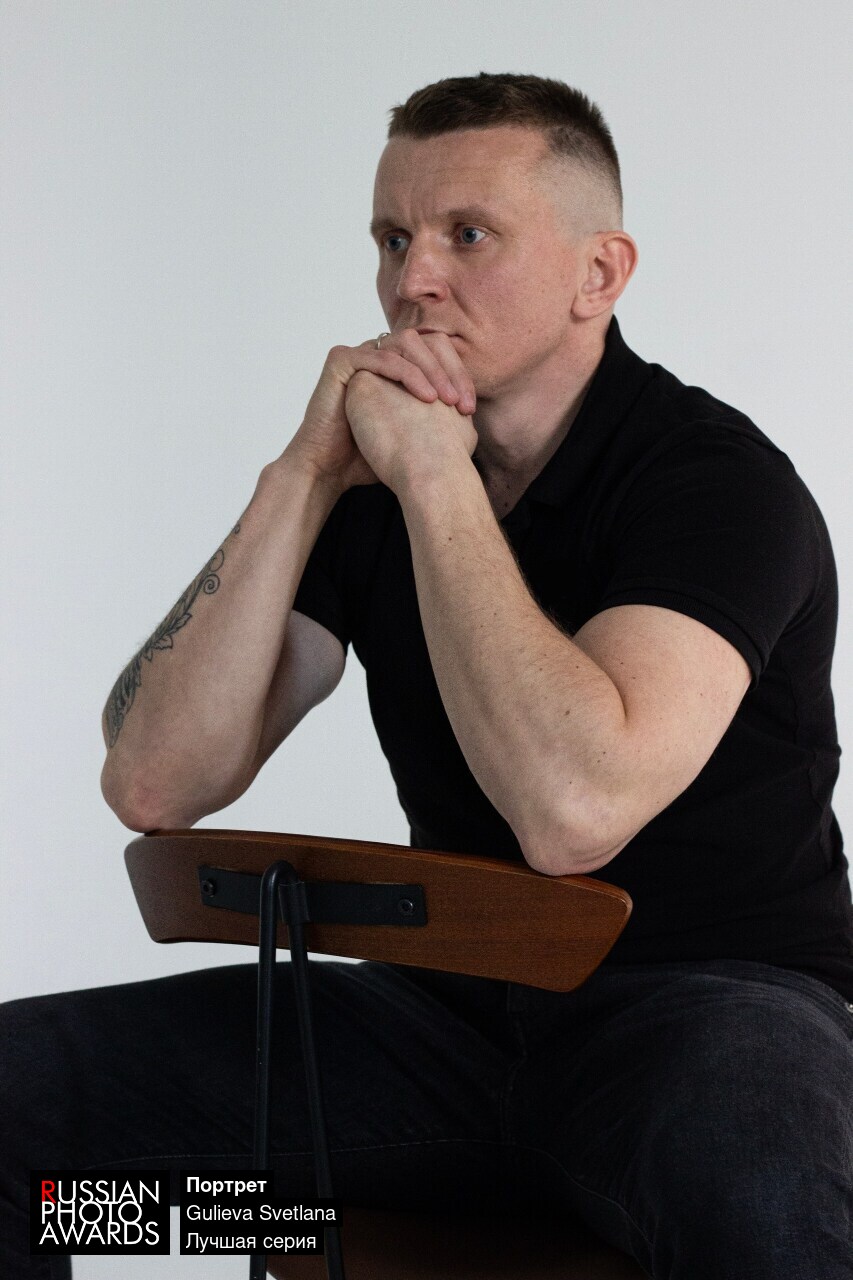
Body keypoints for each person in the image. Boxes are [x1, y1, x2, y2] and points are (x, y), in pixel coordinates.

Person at [3, 72, 852, 1278]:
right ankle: (264, 1229)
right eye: (393, 238)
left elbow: (572, 813)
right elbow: (154, 781)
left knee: (772, 1215)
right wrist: (306, 470)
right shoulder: (362, 486)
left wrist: (436, 481)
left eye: (468, 235)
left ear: (598, 275)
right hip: (436, 1027)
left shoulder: (717, 485)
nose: (413, 282)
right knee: (38, 1154)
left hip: (703, 1007)